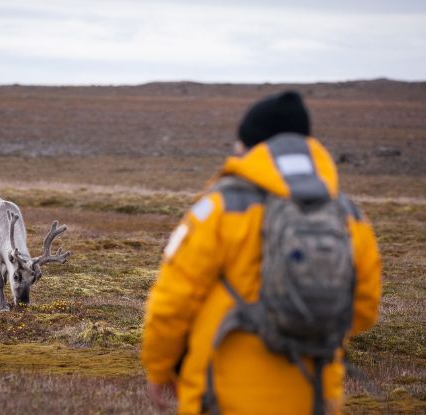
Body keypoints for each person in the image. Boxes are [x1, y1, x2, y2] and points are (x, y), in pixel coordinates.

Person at [141, 91, 381, 415]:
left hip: (222, 397)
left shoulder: (220, 208)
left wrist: (158, 368)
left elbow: (173, 300)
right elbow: (364, 309)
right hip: (312, 399)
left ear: (250, 145)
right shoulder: (348, 216)